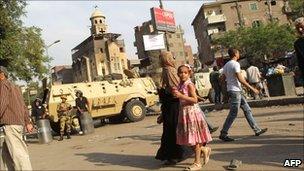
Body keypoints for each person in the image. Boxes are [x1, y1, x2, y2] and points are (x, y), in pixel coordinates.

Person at [219, 48, 268, 142]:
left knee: (247, 110)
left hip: (235, 91)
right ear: (236, 54)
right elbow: (241, 79)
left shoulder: (226, 65)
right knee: (233, 113)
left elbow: (222, 79)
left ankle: (257, 130)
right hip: (235, 92)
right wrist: (252, 88)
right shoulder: (235, 64)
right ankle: (223, 133)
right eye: (238, 52)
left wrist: (226, 91)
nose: (239, 54)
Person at [173, 64, 212, 171]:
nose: (182, 74)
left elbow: (194, 100)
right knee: (188, 139)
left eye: (185, 72)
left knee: (195, 139)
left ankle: (197, 163)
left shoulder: (189, 84)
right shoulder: (180, 84)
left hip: (192, 114)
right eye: (180, 72)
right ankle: (204, 149)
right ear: (177, 74)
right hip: (184, 114)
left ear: (189, 73)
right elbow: (190, 95)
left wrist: (181, 96)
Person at [155, 51, 190, 165]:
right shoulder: (169, 70)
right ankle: (174, 155)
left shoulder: (168, 71)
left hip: (173, 105)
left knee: (173, 130)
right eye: (172, 57)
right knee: (173, 130)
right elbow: (175, 89)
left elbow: (176, 89)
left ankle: (176, 155)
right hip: (172, 106)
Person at [0, 66, 33, 170]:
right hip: (17, 123)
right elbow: (23, 105)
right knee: (6, 155)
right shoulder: (15, 87)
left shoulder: (3, 84)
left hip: (11, 124)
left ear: (1, 75)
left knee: (18, 155)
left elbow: (2, 104)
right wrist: (27, 121)